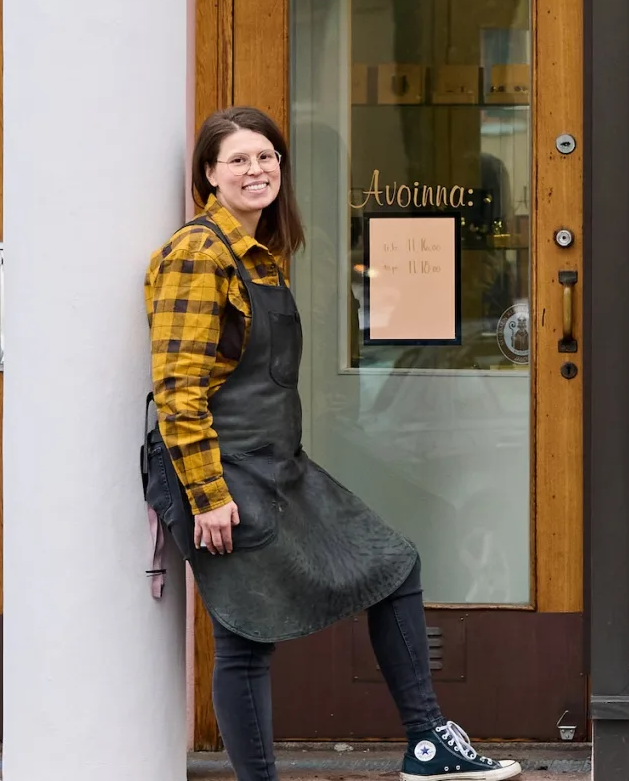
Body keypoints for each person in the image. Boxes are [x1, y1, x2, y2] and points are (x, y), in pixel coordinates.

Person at [144, 106, 520, 781]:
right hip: (221, 471)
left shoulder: (261, 256)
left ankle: (428, 744)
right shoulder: (198, 254)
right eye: (238, 160)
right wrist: (208, 496)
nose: (256, 170)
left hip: (275, 465)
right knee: (244, 636)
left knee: (392, 564)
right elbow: (178, 389)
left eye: (266, 157)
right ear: (209, 175)